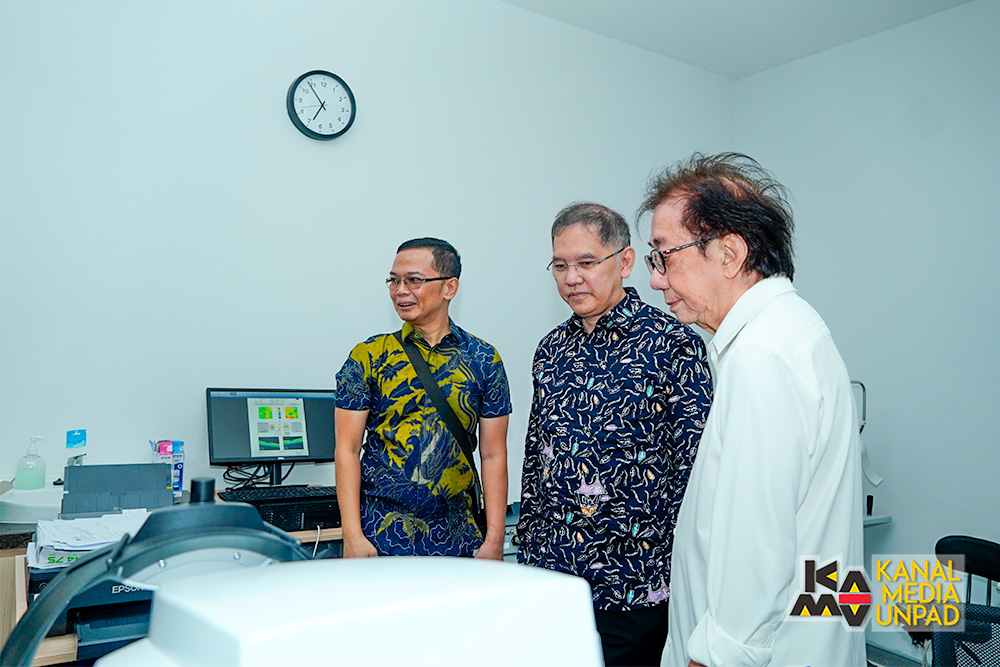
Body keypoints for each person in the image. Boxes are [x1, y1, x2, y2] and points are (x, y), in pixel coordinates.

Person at [640, 153, 865, 667]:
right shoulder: (789, 331)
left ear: (729, 253)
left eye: (664, 256)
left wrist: (714, 656)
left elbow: (756, 551)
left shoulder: (762, 355)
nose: (656, 280)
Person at [517, 203, 713, 666]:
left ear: (625, 262)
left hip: (635, 583)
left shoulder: (672, 343)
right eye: (560, 266)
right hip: (554, 576)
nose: (572, 278)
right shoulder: (550, 350)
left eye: (586, 262)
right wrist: (528, 549)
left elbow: (695, 466)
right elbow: (536, 457)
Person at [335, 237, 511, 559]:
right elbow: (347, 449)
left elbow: (493, 454)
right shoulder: (368, 357)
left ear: (449, 287)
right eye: (394, 281)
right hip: (380, 535)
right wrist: (352, 536)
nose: (400, 291)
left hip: (459, 538)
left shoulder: (484, 359)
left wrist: (495, 540)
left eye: (414, 280)